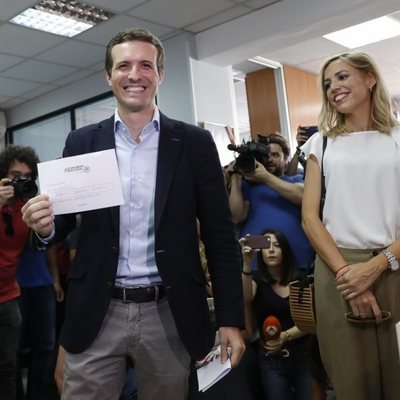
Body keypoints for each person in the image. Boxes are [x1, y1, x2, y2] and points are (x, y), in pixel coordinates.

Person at [21, 27, 245, 400]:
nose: (135, 74)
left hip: (169, 312)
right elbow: (61, 223)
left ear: (160, 74)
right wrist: (43, 227)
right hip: (97, 309)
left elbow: (221, 237)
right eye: (123, 65)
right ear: (109, 76)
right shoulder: (83, 141)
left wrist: (230, 319)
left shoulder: (193, 143)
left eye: (146, 65)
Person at [301, 52, 400, 400]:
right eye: (328, 83)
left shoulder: (398, 138)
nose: (334, 88)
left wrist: (377, 265)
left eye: (342, 77)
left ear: (370, 78)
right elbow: (309, 218)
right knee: (352, 383)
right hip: (336, 271)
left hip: (393, 265)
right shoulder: (321, 143)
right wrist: (349, 276)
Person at [241, 229, 313, 400]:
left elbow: (310, 322)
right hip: (271, 360)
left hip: (302, 355)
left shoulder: (300, 279)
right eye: (266, 246)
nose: (272, 250)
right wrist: (247, 263)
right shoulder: (257, 280)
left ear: (285, 251)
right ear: (261, 252)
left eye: (277, 245)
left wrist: (285, 336)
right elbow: (245, 298)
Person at [229, 133, 313, 269]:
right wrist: (236, 178)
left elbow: (304, 197)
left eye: (275, 155)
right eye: (266, 155)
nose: (269, 159)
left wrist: (266, 177)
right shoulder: (247, 185)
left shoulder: (295, 180)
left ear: (286, 158)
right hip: (257, 266)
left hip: (298, 262)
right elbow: (236, 218)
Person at [0, 145, 40, 400]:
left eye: (26, 177)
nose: (20, 182)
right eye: (15, 176)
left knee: (8, 368)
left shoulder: (26, 207)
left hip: (8, 297)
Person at [15, 246, 63, 400]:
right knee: (12, 350)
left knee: (45, 348)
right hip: (13, 286)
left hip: (43, 282)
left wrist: (55, 279)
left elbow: (49, 243)